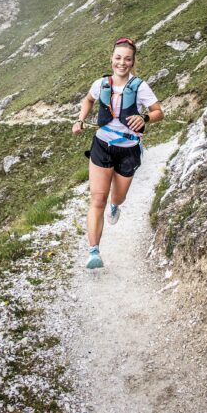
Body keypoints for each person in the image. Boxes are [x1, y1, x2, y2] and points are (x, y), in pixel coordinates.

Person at [72, 37, 164, 269]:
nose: (122, 63)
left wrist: (144, 117)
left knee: (117, 197)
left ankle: (116, 204)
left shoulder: (140, 86)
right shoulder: (101, 83)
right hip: (101, 145)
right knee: (97, 199)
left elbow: (158, 112)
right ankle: (94, 251)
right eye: (118, 58)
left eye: (127, 59)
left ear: (133, 62)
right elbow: (88, 100)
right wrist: (80, 120)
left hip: (128, 150)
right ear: (111, 59)